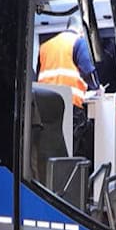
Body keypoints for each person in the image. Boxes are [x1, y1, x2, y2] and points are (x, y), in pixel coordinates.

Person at [37, 13, 101, 158]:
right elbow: (88, 72)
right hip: (69, 107)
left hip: (44, 108)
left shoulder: (45, 46)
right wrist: (97, 88)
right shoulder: (78, 41)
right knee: (73, 150)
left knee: (52, 151)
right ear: (81, 30)